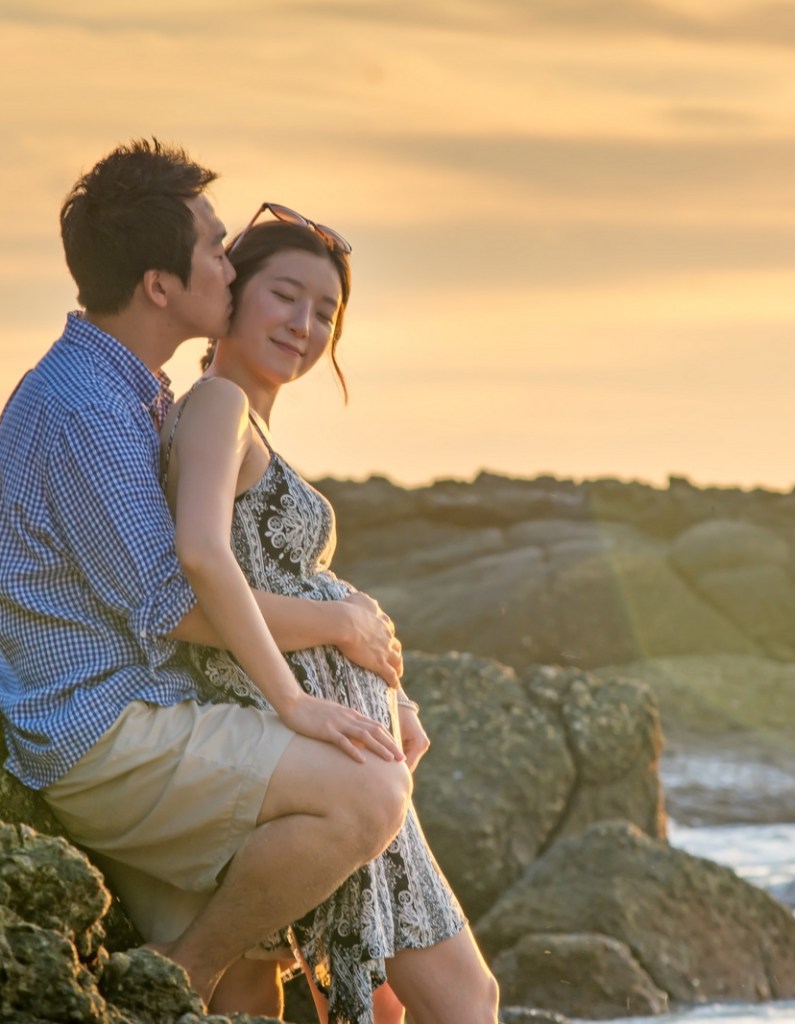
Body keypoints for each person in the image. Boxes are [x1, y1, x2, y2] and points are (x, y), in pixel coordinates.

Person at [0, 139, 417, 1011]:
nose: (231, 263)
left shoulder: (128, 389)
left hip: (131, 713)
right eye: (216, 247)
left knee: (259, 984)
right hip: (100, 730)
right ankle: (181, 971)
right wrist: (327, 646)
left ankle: (207, 967)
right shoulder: (87, 411)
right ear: (158, 285)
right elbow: (175, 600)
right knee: (369, 794)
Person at [159, 205, 499, 1022]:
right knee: (463, 1002)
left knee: (358, 1006)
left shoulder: (251, 426)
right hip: (307, 755)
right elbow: (200, 564)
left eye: (326, 313)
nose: (305, 326)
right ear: (231, 293)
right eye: (287, 295)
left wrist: (391, 687)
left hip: (345, 753)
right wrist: (343, 628)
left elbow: (270, 570)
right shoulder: (216, 407)